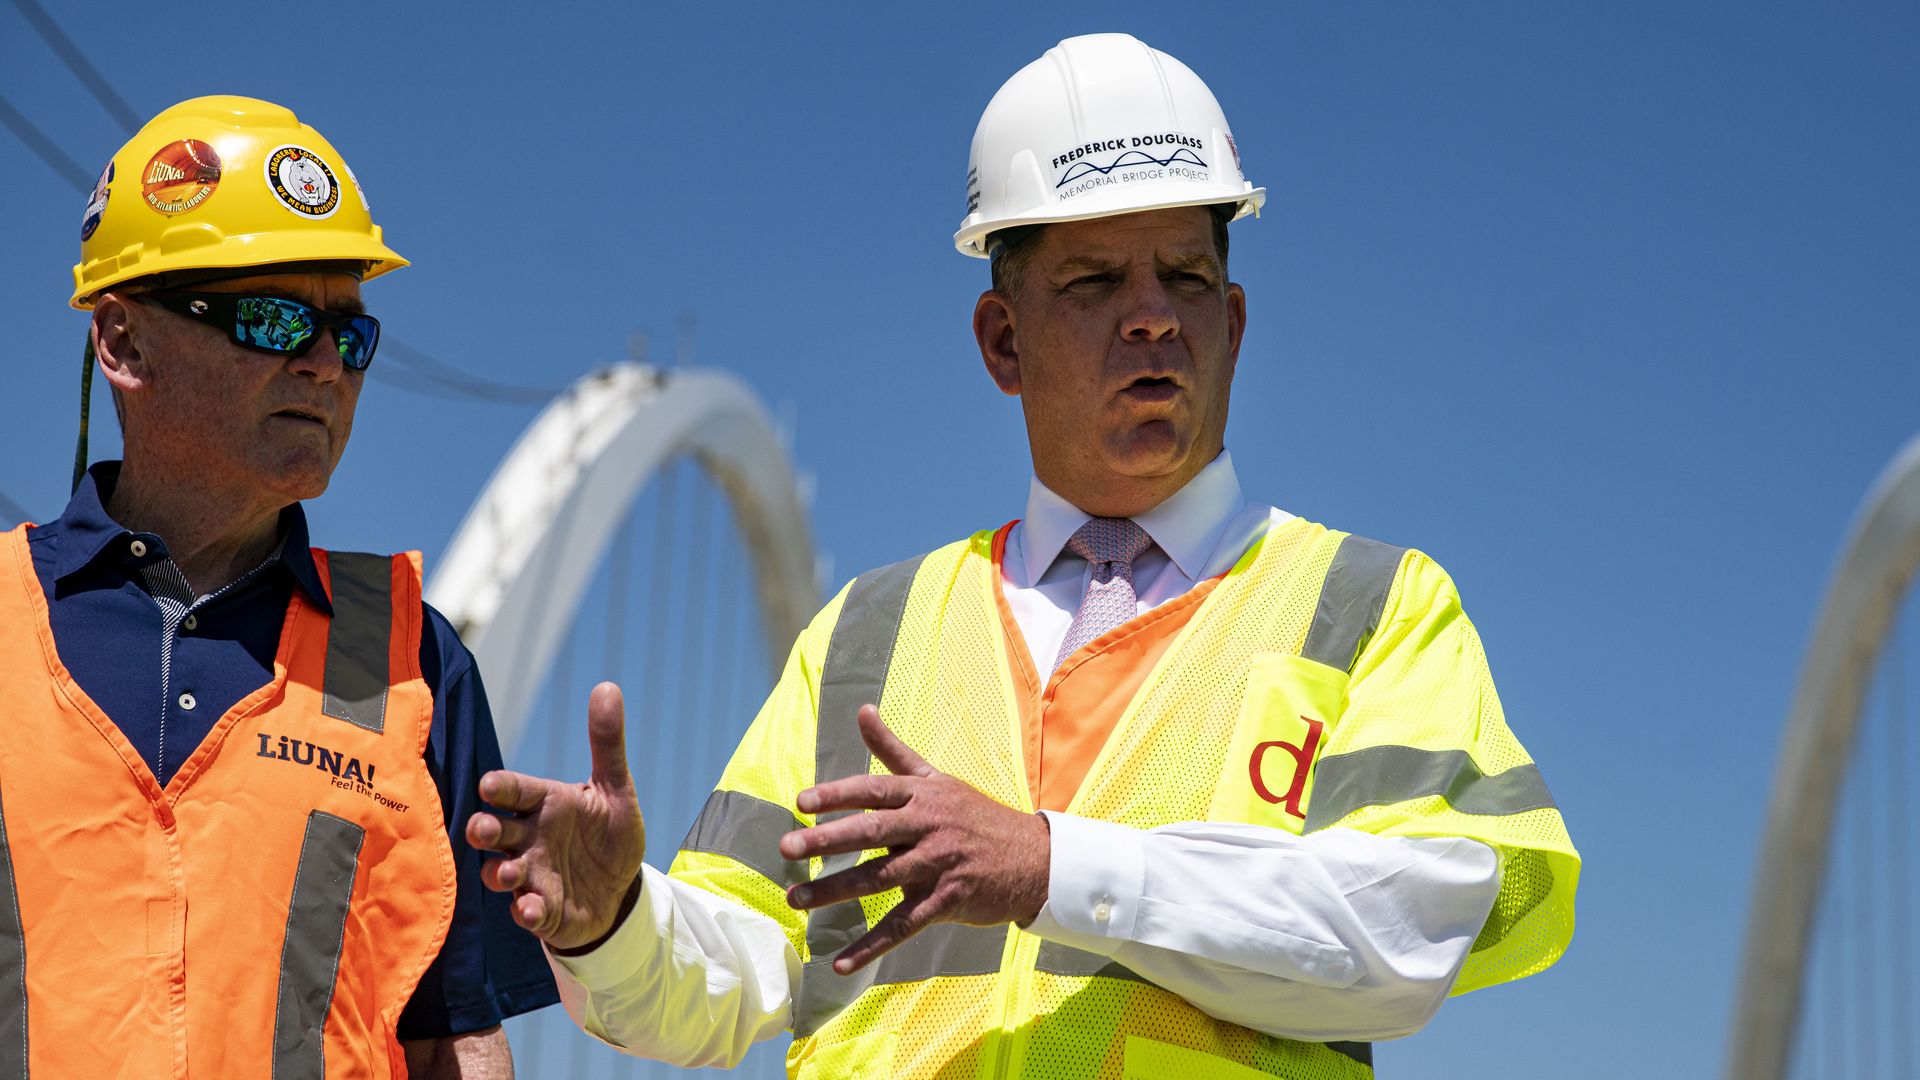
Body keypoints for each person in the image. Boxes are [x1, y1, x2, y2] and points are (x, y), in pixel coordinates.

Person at [468, 34, 1580, 1078]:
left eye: (1185, 278)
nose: (1153, 319)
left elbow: (1412, 927)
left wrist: (1053, 867)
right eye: (1095, 282)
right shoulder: (865, 634)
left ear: (1233, 323)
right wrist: (613, 923)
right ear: (1004, 342)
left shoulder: (1373, 606)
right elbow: (741, 970)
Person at [0, 96, 558, 1077]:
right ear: (122, 343)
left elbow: (458, 1045)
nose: (325, 366)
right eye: (273, 319)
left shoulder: (412, 665)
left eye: (353, 336)